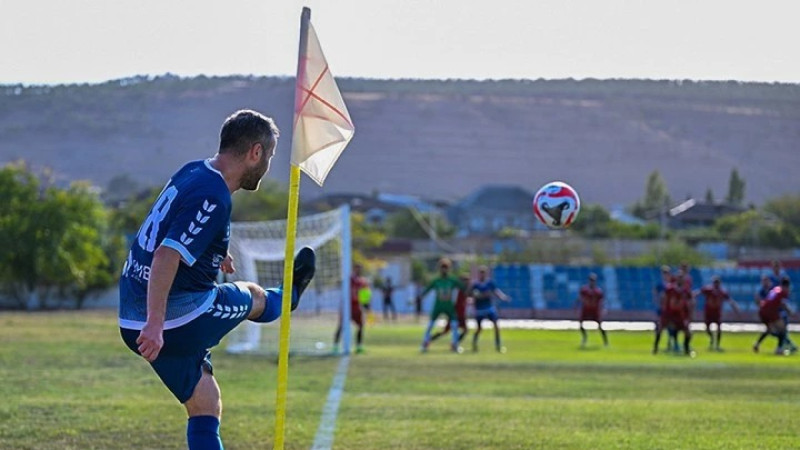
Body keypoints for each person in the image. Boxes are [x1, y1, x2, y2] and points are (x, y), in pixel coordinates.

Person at [118, 110, 316, 450]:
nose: (267, 165)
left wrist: (212, 252)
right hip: (174, 318)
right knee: (253, 295)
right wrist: (155, 322)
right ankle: (289, 296)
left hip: (130, 316)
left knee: (204, 403)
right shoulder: (214, 194)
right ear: (255, 152)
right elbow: (166, 254)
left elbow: (168, 228)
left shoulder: (193, 171)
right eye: (268, 156)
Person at [418, 258, 466, 353]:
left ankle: (455, 345)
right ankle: (424, 344)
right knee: (430, 325)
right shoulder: (436, 281)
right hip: (438, 306)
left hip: (449, 306)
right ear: (439, 269)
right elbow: (426, 290)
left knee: (454, 325)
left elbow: (463, 288)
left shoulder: (452, 280)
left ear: (449, 269)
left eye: (446, 267)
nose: (444, 270)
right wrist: (419, 297)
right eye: (442, 268)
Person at [470, 266, 511, 353]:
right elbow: (472, 295)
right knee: (479, 328)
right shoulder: (475, 285)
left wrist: (503, 297)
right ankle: (474, 344)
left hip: (488, 308)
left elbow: (496, 291)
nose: (482, 275)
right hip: (479, 309)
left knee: (496, 325)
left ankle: (498, 346)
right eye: (480, 274)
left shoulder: (489, 283)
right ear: (478, 275)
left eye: (483, 273)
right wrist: (480, 296)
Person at [653, 275, 693, 355]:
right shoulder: (670, 289)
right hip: (668, 314)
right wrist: (663, 309)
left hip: (679, 315)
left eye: (681, 279)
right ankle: (655, 348)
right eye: (679, 278)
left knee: (687, 332)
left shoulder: (685, 290)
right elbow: (663, 297)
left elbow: (690, 300)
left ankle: (686, 349)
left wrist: (688, 314)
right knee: (660, 329)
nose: (680, 280)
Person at [698, 276, 740, 351]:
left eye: (717, 283)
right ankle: (712, 338)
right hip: (708, 312)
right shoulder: (708, 289)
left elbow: (729, 299)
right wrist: (692, 296)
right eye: (715, 282)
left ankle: (717, 345)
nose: (716, 284)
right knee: (707, 329)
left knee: (719, 329)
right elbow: (699, 292)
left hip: (717, 313)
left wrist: (734, 306)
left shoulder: (722, 292)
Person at [753, 277, 793, 354]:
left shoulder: (775, 289)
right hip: (771, 311)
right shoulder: (783, 292)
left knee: (770, 329)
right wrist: (789, 311)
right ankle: (779, 349)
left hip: (762, 310)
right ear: (787, 286)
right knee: (783, 329)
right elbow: (783, 304)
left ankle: (757, 344)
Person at [334, 264, 368, 354]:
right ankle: (335, 346)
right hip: (346, 306)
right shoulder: (349, 279)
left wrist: (366, 304)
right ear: (354, 269)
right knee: (341, 326)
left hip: (357, 306)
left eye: (360, 268)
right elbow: (339, 283)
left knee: (360, 326)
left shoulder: (363, 281)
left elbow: (365, 294)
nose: (358, 270)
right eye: (357, 268)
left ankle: (359, 346)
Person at [430, 274, 470, 346]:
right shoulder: (457, 290)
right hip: (455, 314)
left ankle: (454, 343)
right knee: (446, 331)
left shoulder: (465, 291)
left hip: (461, 315)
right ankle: (431, 338)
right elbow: (454, 302)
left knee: (464, 330)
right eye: (465, 281)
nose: (467, 283)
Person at [576, 273, 608, 347]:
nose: (592, 282)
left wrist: (603, 309)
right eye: (591, 280)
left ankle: (605, 341)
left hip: (594, 310)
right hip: (586, 309)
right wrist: (576, 306)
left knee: (600, 325)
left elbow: (602, 301)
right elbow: (580, 298)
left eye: (593, 280)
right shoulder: (584, 290)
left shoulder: (598, 291)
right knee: (581, 323)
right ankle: (584, 337)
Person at [653, 266, 679, 352]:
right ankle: (656, 347)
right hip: (664, 309)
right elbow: (656, 293)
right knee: (660, 327)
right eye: (664, 273)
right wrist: (658, 303)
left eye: (667, 273)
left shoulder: (673, 284)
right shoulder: (661, 284)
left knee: (672, 327)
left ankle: (672, 344)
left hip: (672, 310)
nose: (665, 275)